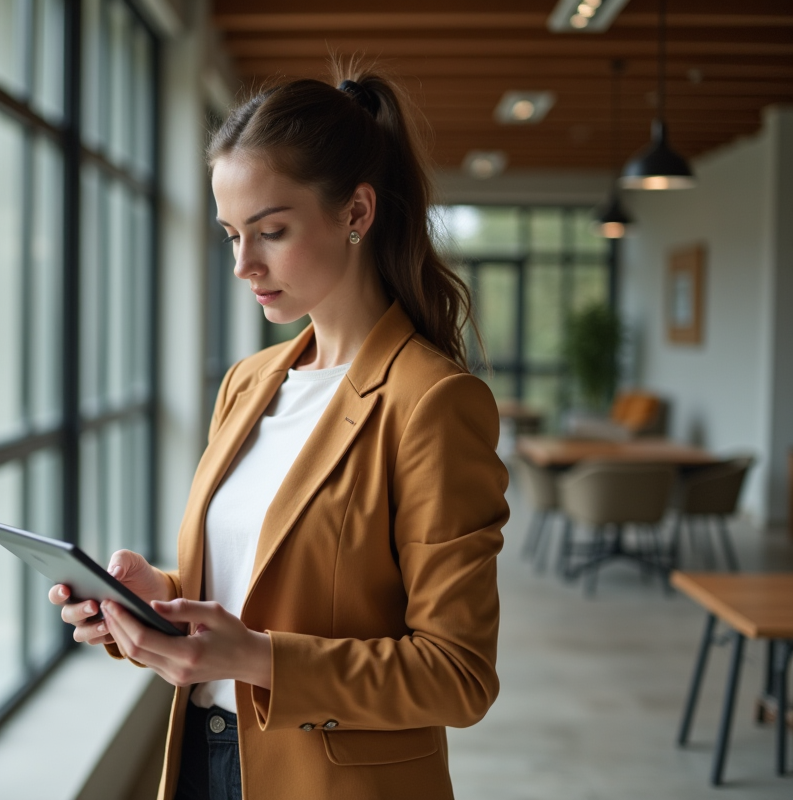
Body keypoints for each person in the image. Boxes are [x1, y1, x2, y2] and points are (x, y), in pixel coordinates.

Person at [49, 63, 509, 800]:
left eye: (271, 231)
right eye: (231, 235)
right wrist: (155, 600)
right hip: (202, 759)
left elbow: (459, 675)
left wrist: (258, 659)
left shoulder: (432, 403)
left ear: (356, 211)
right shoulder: (248, 383)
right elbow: (259, 594)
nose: (243, 264)